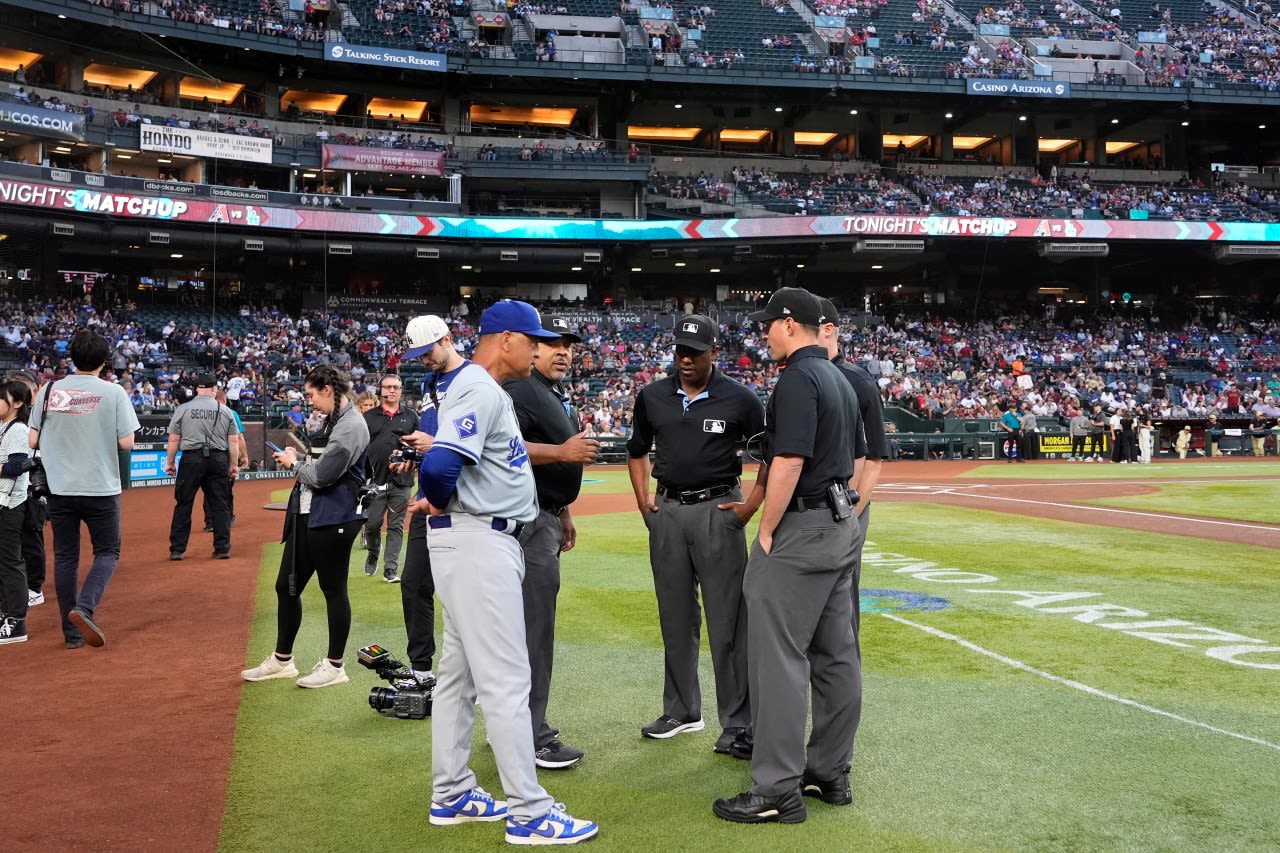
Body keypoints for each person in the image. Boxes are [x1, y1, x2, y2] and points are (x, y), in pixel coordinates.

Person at [407, 300, 597, 845]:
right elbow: (442, 465)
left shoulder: (472, 388)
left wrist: (442, 501)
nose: (539, 349)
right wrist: (441, 500)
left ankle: (452, 793)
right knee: (508, 680)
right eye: (532, 340)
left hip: (476, 539)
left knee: (459, 678)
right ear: (507, 339)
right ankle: (530, 812)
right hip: (479, 542)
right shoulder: (478, 387)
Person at [714, 287, 864, 825]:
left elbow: (790, 460)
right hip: (840, 522)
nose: (763, 334)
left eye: (767, 325)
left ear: (788, 324)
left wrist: (767, 528)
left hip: (803, 526)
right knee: (836, 654)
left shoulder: (800, 377)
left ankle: (776, 788)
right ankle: (830, 771)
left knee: (777, 658)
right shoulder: (838, 376)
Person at [626, 314, 765, 755]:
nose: (685, 359)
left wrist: (749, 508)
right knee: (675, 617)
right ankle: (682, 711)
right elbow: (635, 452)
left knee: (728, 623)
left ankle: (738, 724)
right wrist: (643, 500)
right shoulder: (652, 396)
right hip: (667, 510)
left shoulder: (740, 399)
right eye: (680, 351)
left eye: (694, 351)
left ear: (714, 353)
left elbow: (772, 456)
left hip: (718, 511)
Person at [503, 315, 600, 770]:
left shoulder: (550, 393)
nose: (563, 351)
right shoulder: (522, 390)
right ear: (532, 348)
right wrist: (561, 454)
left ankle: (516, 725)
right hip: (527, 527)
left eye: (568, 345)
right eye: (551, 343)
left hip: (545, 517)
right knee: (533, 633)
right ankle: (531, 735)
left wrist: (564, 511)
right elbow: (503, 447)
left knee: (527, 631)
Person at [241, 365, 369, 689]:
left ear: (328, 389)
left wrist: (293, 464)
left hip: (335, 517)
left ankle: (335, 665)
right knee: (287, 586)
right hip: (310, 513)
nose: (309, 401)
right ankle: (283, 660)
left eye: (312, 394)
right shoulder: (335, 420)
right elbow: (321, 466)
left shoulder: (351, 424)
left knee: (333, 589)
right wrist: (299, 458)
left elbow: (322, 477)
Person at [29, 329, 140, 649]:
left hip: (60, 488)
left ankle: (71, 633)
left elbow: (33, 440)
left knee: (65, 558)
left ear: (72, 357)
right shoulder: (114, 392)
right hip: (100, 487)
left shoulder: (49, 389)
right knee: (107, 552)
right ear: (105, 361)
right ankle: (85, 606)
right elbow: (127, 443)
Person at [165, 373, 240, 560]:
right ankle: (222, 548)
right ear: (214, 389)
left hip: (191, 459)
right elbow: (234, 441)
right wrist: (233, 465)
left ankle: (177, 549)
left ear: (197, 389)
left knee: (183, 503)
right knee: (220, 505)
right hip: (217, 459)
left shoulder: (183, 409)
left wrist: (170, 463)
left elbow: (174, 439)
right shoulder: (225, 411)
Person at [361, 374, 418, 582]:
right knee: (372, 524)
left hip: (402, 481)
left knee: (396, 526)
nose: (391, 390)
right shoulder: (368, 417)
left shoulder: (411, 416)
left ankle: (390, 569)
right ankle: (374, 551)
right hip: (375, 481)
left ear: (401, 391)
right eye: (387, 387)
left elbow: (420, 445)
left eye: (396, 387)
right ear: (380, 390)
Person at [6, 369, 46, 609]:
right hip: (9, 488)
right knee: (11, 540)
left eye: (21, 385)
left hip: (32, 484)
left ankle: (34, 587)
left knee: (31, 538)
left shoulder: (42, 416)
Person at [0, 380, 33, 644]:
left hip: (10, 504)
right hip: (3, 502)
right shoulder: (5, 427)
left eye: (2, 398)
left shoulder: (18, 429)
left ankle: (16, 621)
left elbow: (18, 465)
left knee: (10, 562)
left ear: (18, 403)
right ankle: (6, 614)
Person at [203, 387, 248, 533]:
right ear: (224, 400)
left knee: (208, 488)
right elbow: (238, 437)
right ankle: (226, 517)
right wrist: (244, 456)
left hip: (206, 453)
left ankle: (210, 521)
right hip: (225, 454)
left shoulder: (204, 412)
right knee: (225, 487)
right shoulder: (231, 413)